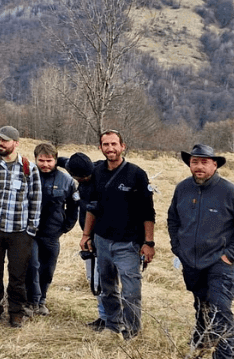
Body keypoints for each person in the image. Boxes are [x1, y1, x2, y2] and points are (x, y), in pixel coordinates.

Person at [167, 144, 234, 359]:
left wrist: (229, 257)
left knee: (220, 312)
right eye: (194, 162)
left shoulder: (231, 193)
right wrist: (178, 248)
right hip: (191, 263)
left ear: (214, 164)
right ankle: (198, 349)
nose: (198, 166)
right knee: (201, 307)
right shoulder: (183, 189)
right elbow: (173, 219)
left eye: (204, 162)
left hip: (219, 265)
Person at [79, 130, 154, 339]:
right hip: (102, 240)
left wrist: (149, 242)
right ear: (100, 148)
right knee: (107, 288)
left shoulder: (136, 174)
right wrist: (86, 235)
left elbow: (148, 211)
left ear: (123, 146)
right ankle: (112, 326)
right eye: (105, 145)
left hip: (128, 243)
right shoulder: (97, 171)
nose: (110, 148)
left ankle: (131, 333)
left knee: (131, 292)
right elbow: (91, 206)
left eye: (114, 144)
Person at [0, 126, 41, 328]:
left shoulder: (29, 168)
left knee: (17, 275)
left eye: (5, 140)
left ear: (16, 143)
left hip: (19, 231)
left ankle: (16, 312)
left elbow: (36, 201)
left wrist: (31, 229)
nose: (1, 143)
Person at [25, 143, 79, 315]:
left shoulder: (67, 181)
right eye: (41, 160)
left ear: (56, 160)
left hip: (52, 234)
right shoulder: (27, 176)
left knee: (47, 270)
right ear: (35, 159)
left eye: (49, 161)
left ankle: (42, 300)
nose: (45, 164)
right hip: (30, 232)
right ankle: (30, 302)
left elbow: (73, 206)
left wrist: (65, 227)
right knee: (32, 266)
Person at [65, 152, 106, 327]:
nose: (83, 179)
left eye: (85, 177)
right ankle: (103, 316)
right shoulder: (80, 167)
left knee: (103, 280)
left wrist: (90, 236)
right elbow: (63, 160)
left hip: (102, 237)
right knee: (92, 279)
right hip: (87, 238)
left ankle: (112, 318)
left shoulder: (101, 181)